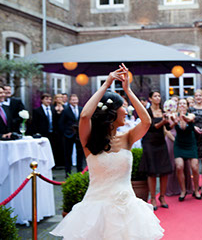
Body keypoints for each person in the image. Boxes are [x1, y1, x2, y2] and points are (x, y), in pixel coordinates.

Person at [50, 64, 164, 240]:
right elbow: (85, 116)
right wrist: (106, 84)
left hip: (127, 210)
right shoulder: (88, 140)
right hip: (95, 211)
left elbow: (146, 121)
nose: (126, 111)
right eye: (123, 107)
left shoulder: (127, 137)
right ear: (111, 113)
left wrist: (127, 90)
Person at [139, 91, 173, 210]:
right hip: (149, 142)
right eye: (155, 96)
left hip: (161, 142)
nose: (158, 98)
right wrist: (163, 122)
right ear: (150, 99)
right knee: (152, 171)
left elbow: (168, 127)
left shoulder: (164, 112)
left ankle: (162, 197)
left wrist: (173, 121)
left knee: (164, 170)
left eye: (159, 96)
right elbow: (152, 127)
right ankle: (153, 197)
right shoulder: (147, 112)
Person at [171, 98, 202, 201]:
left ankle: (196, 190)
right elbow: (169, 126)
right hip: (179, 144)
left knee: (195, 167)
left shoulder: (191, 115)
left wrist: (182, 116)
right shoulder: (174, 115)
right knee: (179, 166)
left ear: (188, 106)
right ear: (178, 105)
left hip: (190, 144)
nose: (182, 105)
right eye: (180, 104)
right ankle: (183, 191)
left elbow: (189, 120)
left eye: (184, 103)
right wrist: (173, 121)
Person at [59, 94, 84, 177]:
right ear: (70, 101)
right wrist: (65, 133)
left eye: (75, 99)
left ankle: (80, 171)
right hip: (68, 135)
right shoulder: (65, 110)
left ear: (78, 100)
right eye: (72, 100)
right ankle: (68, 173)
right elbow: (61, 123)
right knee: (67, 154)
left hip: (79, 135)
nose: (74, 101)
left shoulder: (81, 109)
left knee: (80, 154)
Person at [53, 94, 65, 167]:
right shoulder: (52, 108)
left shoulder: (65, 107)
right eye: (58, 98)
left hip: (63, 130)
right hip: (55, 130)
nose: (60, 99)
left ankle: (62, 163)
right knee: (55, 147)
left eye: (61, 97)